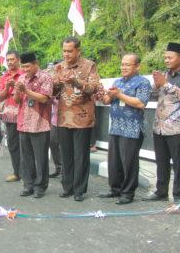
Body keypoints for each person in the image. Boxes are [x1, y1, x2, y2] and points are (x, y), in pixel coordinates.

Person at [99, 54, 151, 205]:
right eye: (122, 64)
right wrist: (108, 95)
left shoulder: (143, 82)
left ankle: (128, 193)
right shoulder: (117, 81)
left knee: (129, 162)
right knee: (114, 161)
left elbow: (141, 103)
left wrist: (119, 94)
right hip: (116, 126)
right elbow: (107, 100)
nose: (123, 67)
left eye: (128, 64)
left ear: (137, 66)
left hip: (132, 128)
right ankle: (115, 189)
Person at [53, 37, 100, 202]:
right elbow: (52, 92)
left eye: (69, 51)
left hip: (82, 117)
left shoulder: (89, 65)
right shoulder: (58, 67)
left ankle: (79, 189)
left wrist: (76, 81)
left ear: (78, 51)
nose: (66, 54)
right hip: (64, 117)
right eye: (64, 51)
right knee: (65, 154)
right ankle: (67, 187)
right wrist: (56, 83)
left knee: (81, 155)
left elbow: (93, 88)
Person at [143, 42, 180, 203]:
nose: (166, 60)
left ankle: (178, 196)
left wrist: (165, 84)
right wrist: (157, 85)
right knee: (161, 162)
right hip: (160, 127)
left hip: (176, 128)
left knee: (178, 164)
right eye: (165, 57)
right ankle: (161, 191)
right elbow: (152, 96)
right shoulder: (165, 74)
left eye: (170, 57)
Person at [14, 52, 53, 198]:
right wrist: (17, 90)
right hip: (24, 123)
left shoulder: (45, 77)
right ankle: (28, 184)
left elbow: (44, 98)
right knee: (26, 157)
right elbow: (17, 100)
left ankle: (40, 186)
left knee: (40, 157)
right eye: (23, 66)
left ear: (36, 64)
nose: (25, 69)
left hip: (40, 123)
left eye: (28, 66)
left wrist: (26, 90)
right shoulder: (22, 78)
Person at [0, 51, 24, 182]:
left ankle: (28, 173)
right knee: (13, 145)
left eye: (12, 59)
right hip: (10, 116)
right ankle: (17, 173)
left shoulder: (24, 74)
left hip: (24, 115)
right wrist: (7, 87)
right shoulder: (4, 77)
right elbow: (0, 97)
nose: (9, 62)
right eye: (7, 60)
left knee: (25, 145)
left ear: (18, 60)